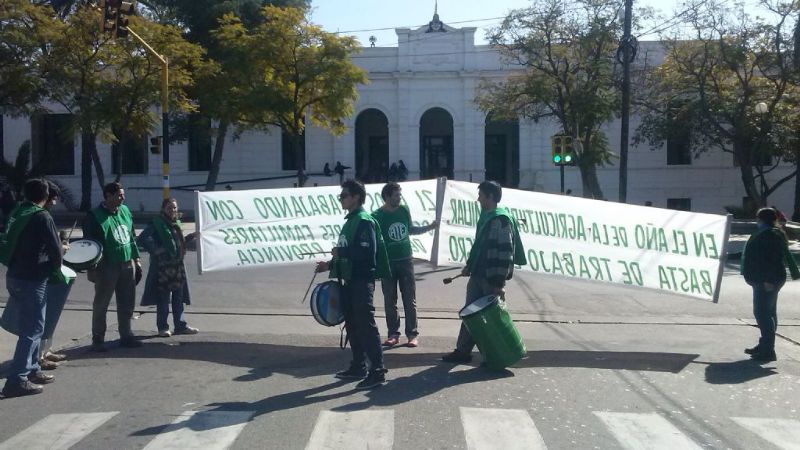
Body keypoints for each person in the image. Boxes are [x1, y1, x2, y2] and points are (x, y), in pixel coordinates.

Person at [316, 179, 391, 390]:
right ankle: (358, 365)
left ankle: (377, 371)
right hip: (349, 281)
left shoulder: (364, 221)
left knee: (365, 325)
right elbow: (347, 253)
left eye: (344, 196)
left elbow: (367, 252)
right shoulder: (350, 221)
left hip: (361, 280)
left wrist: (342, 252)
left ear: (356, 197)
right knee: (352, 325)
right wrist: (329, 265)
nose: (341, 199)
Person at [441, 180, 527, 364]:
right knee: (470, 314)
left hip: (491, 279)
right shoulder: (486, 216)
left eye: (481, 195)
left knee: (493, 320)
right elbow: (479, 246)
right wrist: (470, 266)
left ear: (490, 197)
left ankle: (499, 354)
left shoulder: (501, 219)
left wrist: (499, 283)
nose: (478, 199)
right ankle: (462, 351)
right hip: (478, 275)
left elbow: (505, 253)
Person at [0, 179, 62, 397]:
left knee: (34, 326)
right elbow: (55, 249)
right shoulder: (42, 216)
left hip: (15, 275)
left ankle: (33, 369)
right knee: (32, 330)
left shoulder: (19, 211)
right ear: (45, 195)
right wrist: (59, 264)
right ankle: (17, 379)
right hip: (33, 279)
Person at [372, 182, 439, 348]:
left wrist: (430, 227)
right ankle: (393, 334)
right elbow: (374, 241)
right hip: (388, 263)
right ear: (387, 197)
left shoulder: (403, 210)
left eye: (400, 195)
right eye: (396, 195)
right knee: (390, 300)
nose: (399, 198)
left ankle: (412, 334)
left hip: (406, 261)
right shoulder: (377, 216)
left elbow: (410, 230)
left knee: (409, 299)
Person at [82, 182, 142, 351]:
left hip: (127, 262)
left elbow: (131, 236)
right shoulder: (94, 216)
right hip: (106, 265)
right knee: (101, 303)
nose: (123, 198)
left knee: (127, 301)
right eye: (119, 195)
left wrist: (137, 260)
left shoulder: (125, 211)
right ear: (108, 195)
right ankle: (98, 339)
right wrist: (91, 268)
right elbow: (89, 243)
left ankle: (126, 335)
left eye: (123, 194)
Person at [741, 207, 800, 362]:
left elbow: (771, 259)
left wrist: (768, 280)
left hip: (767, 279)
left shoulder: (770, 235)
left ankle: (768, 350)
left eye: (757, 219)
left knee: (762, 313)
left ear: (761, 219)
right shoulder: (772, 232)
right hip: (768, 278)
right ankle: (765, 345)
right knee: (769, 313)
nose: (757, 221)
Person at [137, 198, 198, 337]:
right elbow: (142, 239)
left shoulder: (175, 223)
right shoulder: (157, 223)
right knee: (163, 298)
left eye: (174, 207)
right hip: (163, 267)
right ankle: (163, 327)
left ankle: (180, 326)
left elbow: (178, 243)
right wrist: (157, 250)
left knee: (179, 298)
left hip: (177, 266)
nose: (172, 210)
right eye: (170, 208)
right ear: (163, 209)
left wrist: (192, 236)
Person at [38, 181, 75, 369]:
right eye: (53, 199)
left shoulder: (36, 214)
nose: (54, 203)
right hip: (40, 273)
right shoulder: (41, 216)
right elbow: (51, 247)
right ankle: (37, 358)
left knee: (48, 315)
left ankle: (45, 351)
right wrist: (63, 248)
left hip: (40, 272)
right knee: (40, 320)